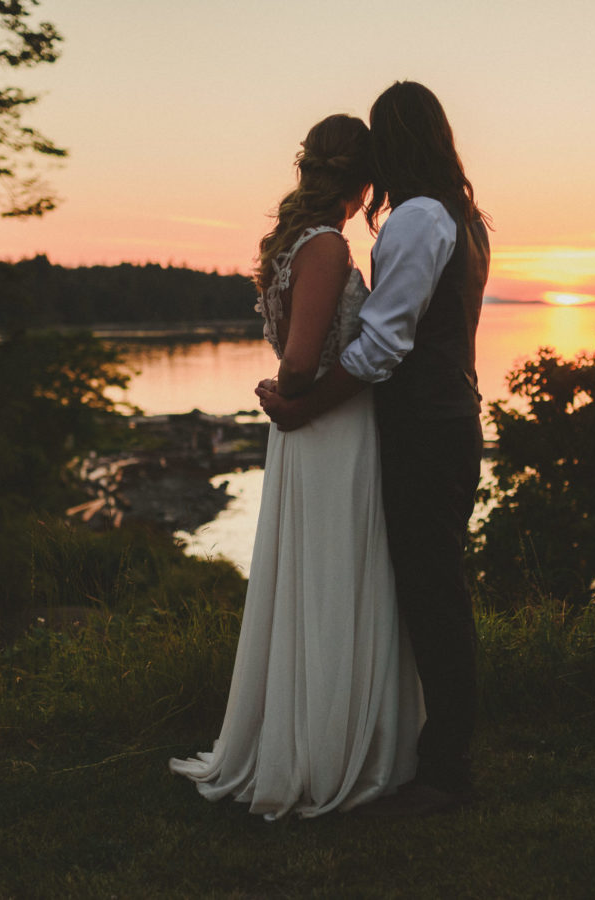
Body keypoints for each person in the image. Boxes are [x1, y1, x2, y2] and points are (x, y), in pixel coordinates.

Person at [170, 114, 421, 819]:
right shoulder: (328, 248)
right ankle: (331, 752)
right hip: (330, 434)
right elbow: (301, 359)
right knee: (336, 581)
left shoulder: (294, 242)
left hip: (307, 435)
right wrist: (294, 391)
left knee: (321, 581)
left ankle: (321, 734)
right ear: (363, 180)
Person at [258, 81, 490, 816]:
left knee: (433, 594)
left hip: (425, 426)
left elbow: (384, 345)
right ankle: (421, 748)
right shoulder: (465, 217)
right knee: (431, 589)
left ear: (396, 145)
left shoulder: (417, 218)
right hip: (449, 418)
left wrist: (303, 408)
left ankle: (446, 771)